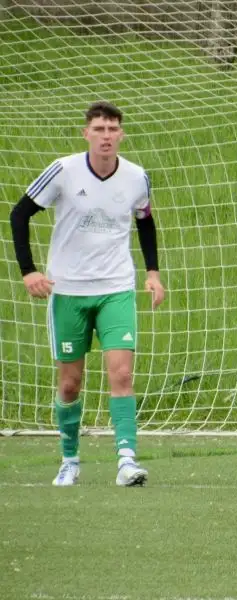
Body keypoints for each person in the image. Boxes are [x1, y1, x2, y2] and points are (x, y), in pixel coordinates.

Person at [9, 101, 165, 486]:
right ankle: (69, 459)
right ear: (86, 134)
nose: (106, 136)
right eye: (99, 129)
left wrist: (153, 273)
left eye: (113, 129)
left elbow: (145, 222)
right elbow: (19, 214)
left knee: (123, 374)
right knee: (69, 384)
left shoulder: (136, 177)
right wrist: (28, 272)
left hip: (116, 288)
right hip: (68, 292)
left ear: (121, 134)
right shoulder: (63, 170)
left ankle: (127, 460)